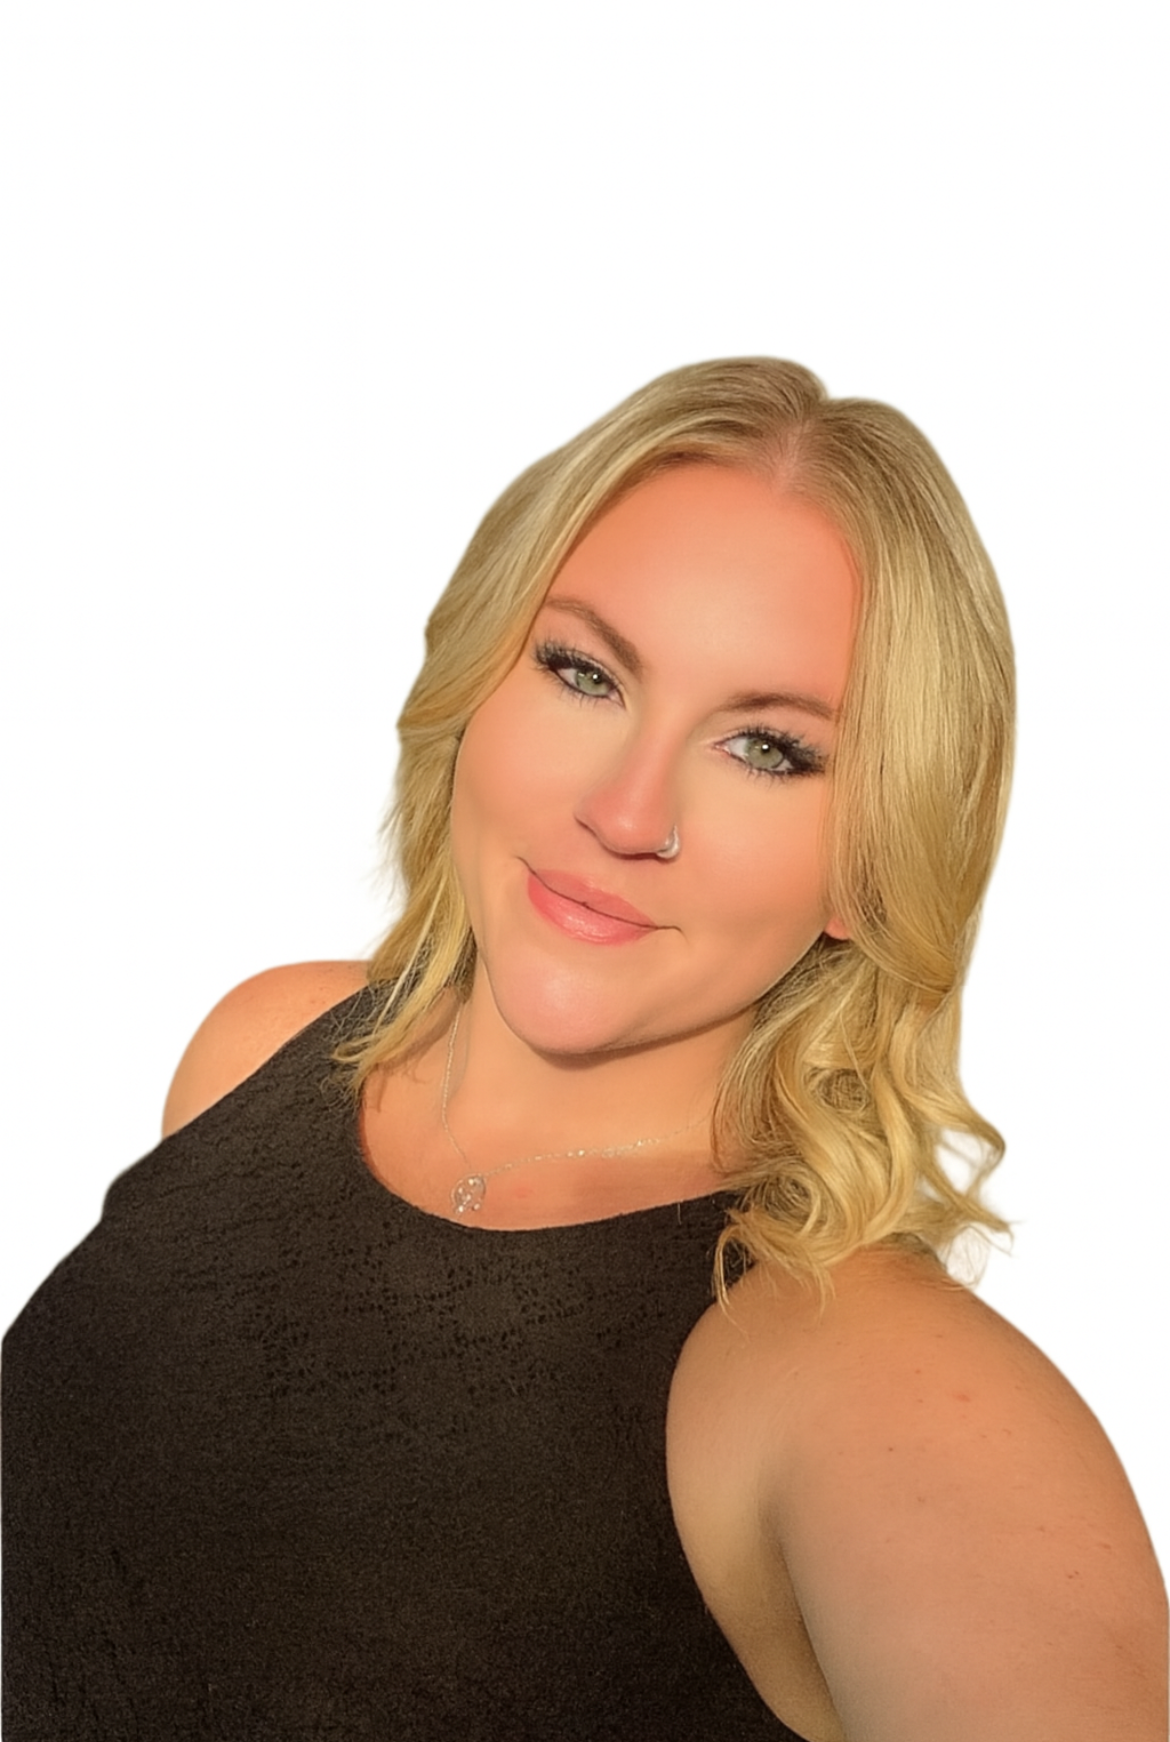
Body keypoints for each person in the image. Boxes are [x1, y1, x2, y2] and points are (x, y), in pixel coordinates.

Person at [3, 358, 1165, 1741]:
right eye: (582, 670)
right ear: (473, 685)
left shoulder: (876, 1383)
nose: (624, 809)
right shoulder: (269, 1049)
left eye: (767, 749)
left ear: (876, 860)